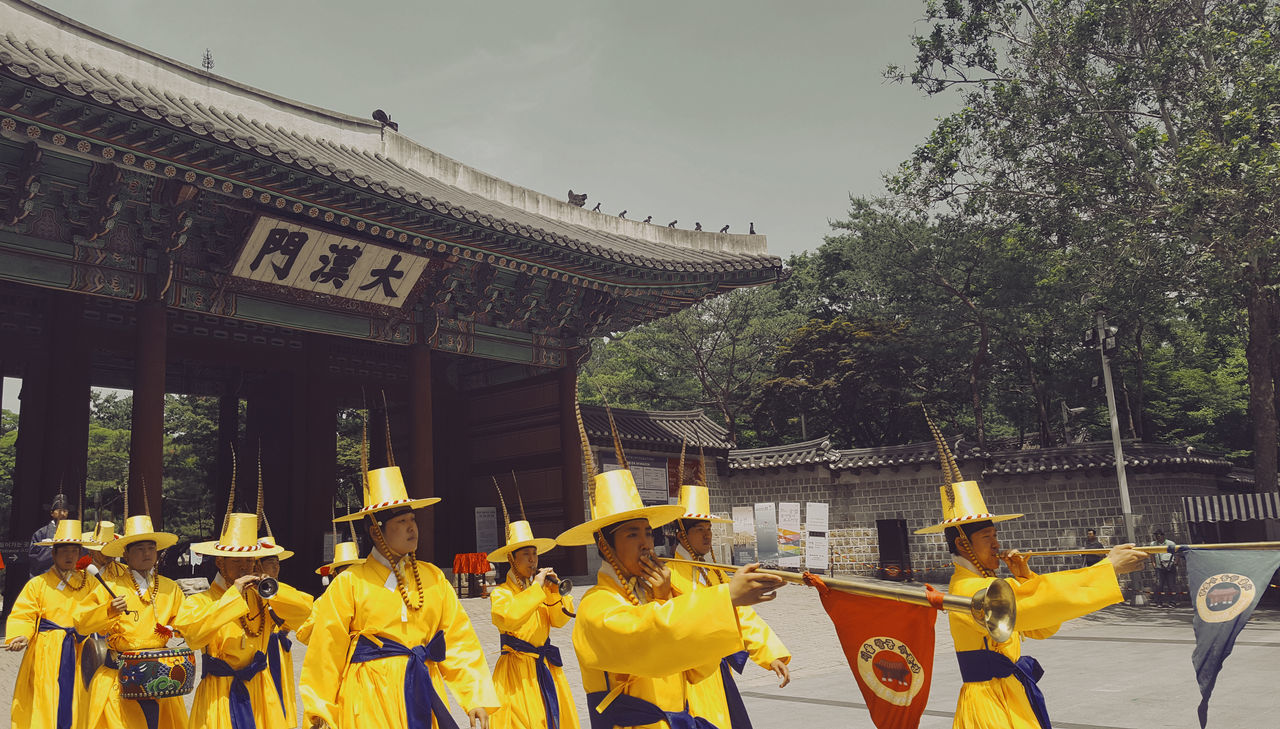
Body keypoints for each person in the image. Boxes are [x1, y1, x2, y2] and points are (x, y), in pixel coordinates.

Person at [556, 402, 786, 728]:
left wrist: (666, 600)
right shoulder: (596, 605)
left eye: (648, 533)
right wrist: (724, 599)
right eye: (632, 534)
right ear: (604, 545)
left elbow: (692, 663)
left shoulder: (658, 589)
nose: (646, 543)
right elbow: (643, 637)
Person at [917, 417, 1149, 729]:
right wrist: (1107, 568)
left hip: (1012, 693)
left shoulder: (989, 583)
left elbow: (1042, 626)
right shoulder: (965, 590)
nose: (997, 545)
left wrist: (1026, 578)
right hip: (988, 701)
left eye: (996, 537)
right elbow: (1028, 607)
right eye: (988, 539)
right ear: (963, 544)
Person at [300, 462, 500, 729]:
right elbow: (326, 651)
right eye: (402, 521)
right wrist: (319, 710)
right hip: (369, 696)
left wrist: (475, 696)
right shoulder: (349, 583)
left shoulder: (433, 578)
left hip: (423, 688)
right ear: (376, 531)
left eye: (413, 520)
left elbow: (458, 640)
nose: (412, 528)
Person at [666, 454, 790, 729]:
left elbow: (742, 615)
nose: (708, 536)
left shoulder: (715, 572)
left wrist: (770, 655)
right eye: (700, 530)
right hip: (687, 676)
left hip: (718, 672)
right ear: (681, 535)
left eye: (709, 529)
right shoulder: (669, 576)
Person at [176, 509, 298, 729]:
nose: (244, 567)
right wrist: (234, 594)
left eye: (250, 561)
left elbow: (304, 615)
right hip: (219, 692)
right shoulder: (200, 601)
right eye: (236, 561)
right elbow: (193, 636)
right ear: (220, 563)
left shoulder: (262, 598)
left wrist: (274, 589)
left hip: (261, 689)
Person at [77, 512, 188, 729]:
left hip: (161, 679)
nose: (147, 554)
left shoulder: (170, 587)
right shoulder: (111, 586)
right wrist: (108, 610)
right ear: (126, 554)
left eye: (150, 548)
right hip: (119, 677)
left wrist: (179, 628)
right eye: (139, 549)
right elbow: (82, 623)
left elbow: (187, 621)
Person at [487, 479, 579, 729]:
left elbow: (560, 621)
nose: (532, 559)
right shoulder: (502, 593)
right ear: (512, 559)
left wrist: (553, 592)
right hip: (516, 671)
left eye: (534, 554)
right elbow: (509, 618)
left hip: (545, 666)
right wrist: (537, 590)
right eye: (525, 555)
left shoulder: (539, 589)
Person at [4, 516, 93, 729]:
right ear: (53, 554)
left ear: (80, 553)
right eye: (64, 551)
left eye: (74, 551)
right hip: (47, 652)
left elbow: (102, 611)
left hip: (82, 651)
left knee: (81, 700)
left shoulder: (89, 582)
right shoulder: (38, 584)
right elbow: (24, 614)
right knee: (47, 699)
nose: (70, 556)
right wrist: (21, 635)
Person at [256, 531, 313, 728]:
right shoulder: (245, 588)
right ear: (257, 564)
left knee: (281, 700)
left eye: (277, 562)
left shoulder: (282, 589)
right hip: (257, 653)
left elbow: (305, 609)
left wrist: (273, 591)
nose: (276, 566)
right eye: (270, 561)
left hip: (278, 653)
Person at [27, 493, 69, 579]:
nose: (62, 513)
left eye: (65, 511)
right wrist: (55, 549)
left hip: (68, 576)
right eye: (59, 510)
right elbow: (34, 557)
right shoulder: (41, 533)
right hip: (45, 576)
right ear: (52, 513)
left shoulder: (72, 532)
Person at [1150, 529, 1179, 607]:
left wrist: (1175, 562)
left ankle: (1172, 602)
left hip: (1170, 566)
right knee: (1159, 585)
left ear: (1163, 536)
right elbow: (1152, 554)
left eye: (1159, 536)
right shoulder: (1153, 544)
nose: (1158, 537)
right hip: (1159, 567)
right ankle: (1159, 602)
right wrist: (1153, 564)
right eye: (1156, 536)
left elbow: (1176, 553)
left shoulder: (1171, 543)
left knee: (1171, 585)